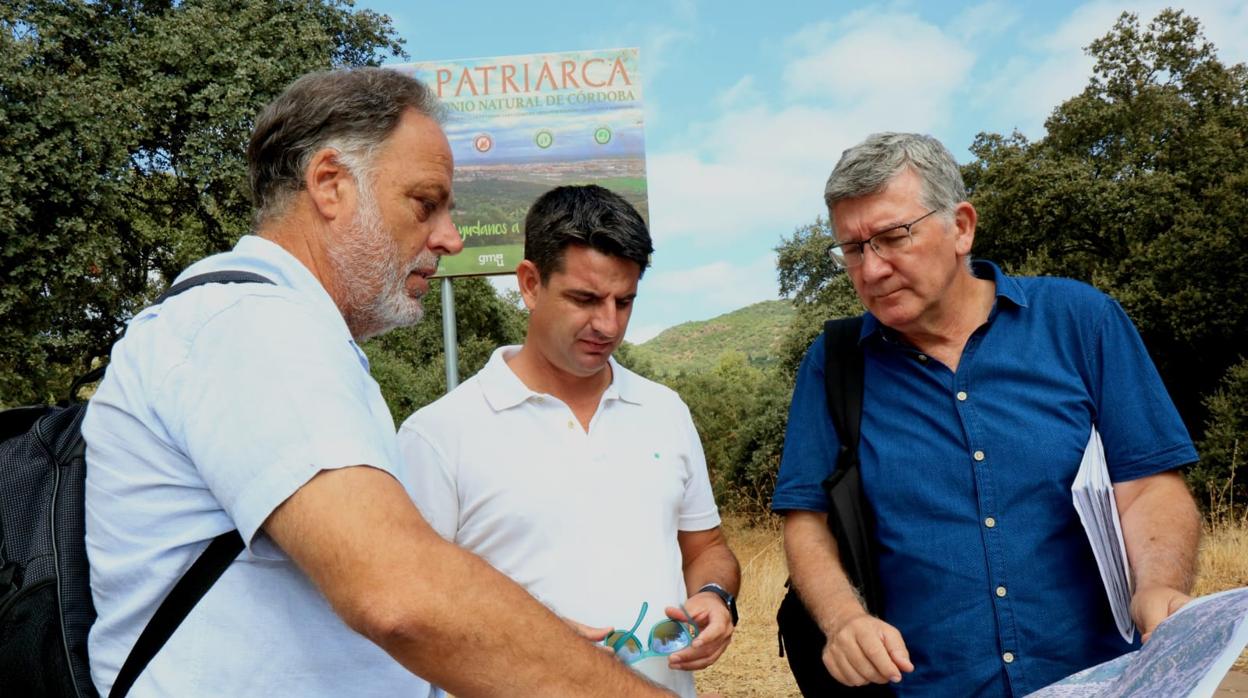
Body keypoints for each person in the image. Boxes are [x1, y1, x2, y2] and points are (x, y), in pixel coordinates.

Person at [82, 68, 674, 697]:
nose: (450, 238)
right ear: (330, 184)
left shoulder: (283, 332)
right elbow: (401, 594)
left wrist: (526, 647)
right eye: (425, 204)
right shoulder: (254, 326)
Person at [772, 132, 1202, 696]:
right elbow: (807, 519)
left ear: (961, 227)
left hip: (1099, 681)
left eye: (893, 237)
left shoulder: (1081, 321)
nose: (871, 270)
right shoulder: (833, 364)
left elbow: (1147, 484)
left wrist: (1158, 584)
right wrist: (843, 620)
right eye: (853, 249)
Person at [397, 184, 741, 697]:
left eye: (625, 301)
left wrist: (715, 595)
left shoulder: (666, 411)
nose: (608, 324)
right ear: (530, 284)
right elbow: (413, 611)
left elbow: (706, 547)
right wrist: (532, 644)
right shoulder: (437, 435)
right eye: (585, 299)